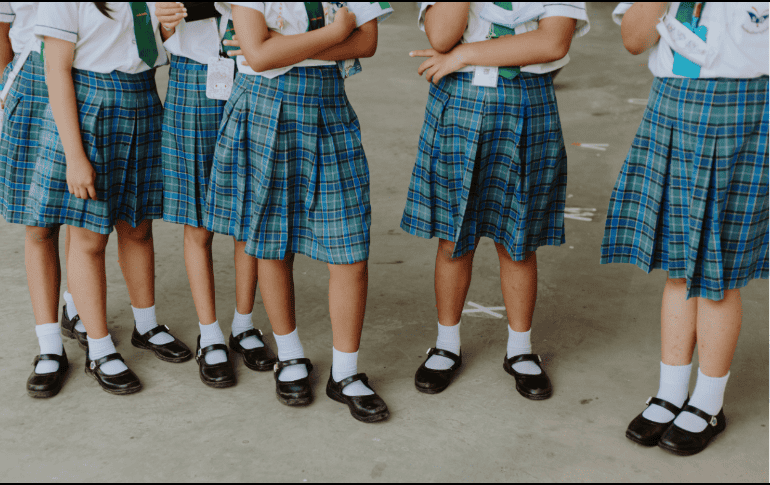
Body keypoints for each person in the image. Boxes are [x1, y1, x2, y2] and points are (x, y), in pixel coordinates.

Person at [206, 2, 393, 422]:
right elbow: (257, 55)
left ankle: (345, 372)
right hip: (264, 107)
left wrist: (284, 46)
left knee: (350, 248)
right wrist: (334, 33)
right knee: (273, 243)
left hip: (328, 108)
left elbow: (366, 42)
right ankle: (290, 357)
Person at [604, 2, 768, 456]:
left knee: (719, 272)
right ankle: (671, 392)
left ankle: (709, 403)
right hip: (674, 104)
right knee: (679, 265)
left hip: (743, 110)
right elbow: (635, 39)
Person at [401, 2, 588, 398]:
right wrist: (457, 51)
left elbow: (552, 41)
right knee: (454, 236)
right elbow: (440, 36)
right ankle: (446, 343)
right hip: (460, 99)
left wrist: (465, 54)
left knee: (518, 239)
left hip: (526, 98)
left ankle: (520, 349)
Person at [30, 1, 187, 395]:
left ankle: (146, 324)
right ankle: (99, 350)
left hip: (143, 98)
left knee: (138, 227)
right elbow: (56, 70)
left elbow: (145, 46)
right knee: (89, 239)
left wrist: (167, 29)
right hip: (88, 105)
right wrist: (75, 156)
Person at [154, 1, 277, 389]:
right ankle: (209, 334)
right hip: (194, 77)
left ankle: (243, 324)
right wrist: (162, 21)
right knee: (198, 219)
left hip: (253, 72)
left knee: (248, 212)